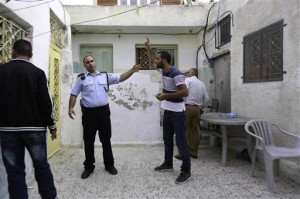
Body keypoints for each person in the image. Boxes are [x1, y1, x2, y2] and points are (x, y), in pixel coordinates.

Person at [0, 39, 57, 199]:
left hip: (7, 130)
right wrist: (51, 125)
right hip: (35, 129)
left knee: (14, 171)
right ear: (30, 55)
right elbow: (45, 102)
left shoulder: (1, 71)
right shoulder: (37, 73)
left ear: (13, 51)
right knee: (41, 166)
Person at [68, 55, 141, 179]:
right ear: (85, 65)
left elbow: (120, 78)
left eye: (92, 61)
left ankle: (109, 165)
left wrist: (132, 70)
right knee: (89, 141)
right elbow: (74, 93)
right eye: (87, 62)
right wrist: (70, 107)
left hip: (104, 113)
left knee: (106, 140)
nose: (90, 64)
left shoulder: (105, 76)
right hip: (89, 114)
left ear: (95, 62)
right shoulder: (82, 79)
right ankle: (89, 167)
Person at [144, 38, 191, 184]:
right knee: (167, 140)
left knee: (181, 142)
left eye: (158, 58)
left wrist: (166, 95)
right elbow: (152, 62)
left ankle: (186, 171)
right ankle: (168, 163)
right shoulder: (163, 71)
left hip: (178, 112)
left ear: (164, 60)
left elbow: (185, 92)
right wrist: (148, 49)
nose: (155, 61)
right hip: (168, 111)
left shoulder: (175, 73)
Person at [175, 68, 209, 159]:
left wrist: (181, 104)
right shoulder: (201, 83)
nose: (187, 73)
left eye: (188, 72)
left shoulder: (188, 80)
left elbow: (184, 93)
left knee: (182, 130)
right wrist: (202, 108)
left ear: (192, 73)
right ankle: (193, 152)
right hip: (197, 109)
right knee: (193, 130)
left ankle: (182, 154)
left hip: (187, 107)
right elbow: (206, 98)